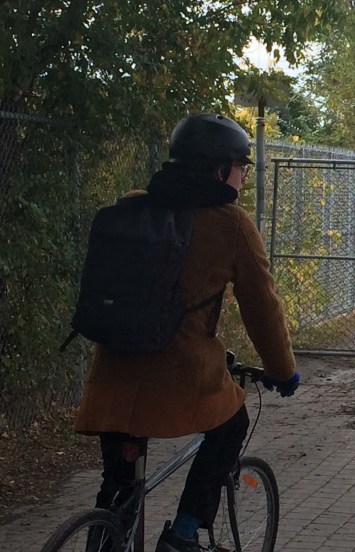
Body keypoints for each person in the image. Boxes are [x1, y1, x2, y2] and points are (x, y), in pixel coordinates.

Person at [73, 113, 300, 552]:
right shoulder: (231, 224)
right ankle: (183, 533)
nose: (242, 178)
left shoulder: (133, 204)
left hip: (111, 379)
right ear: (220, 170)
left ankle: (106, 536)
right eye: (242, 168)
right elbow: (263, 309)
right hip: (180, 383)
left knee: (119, 489)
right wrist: (283, 370)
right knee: (232, 423)